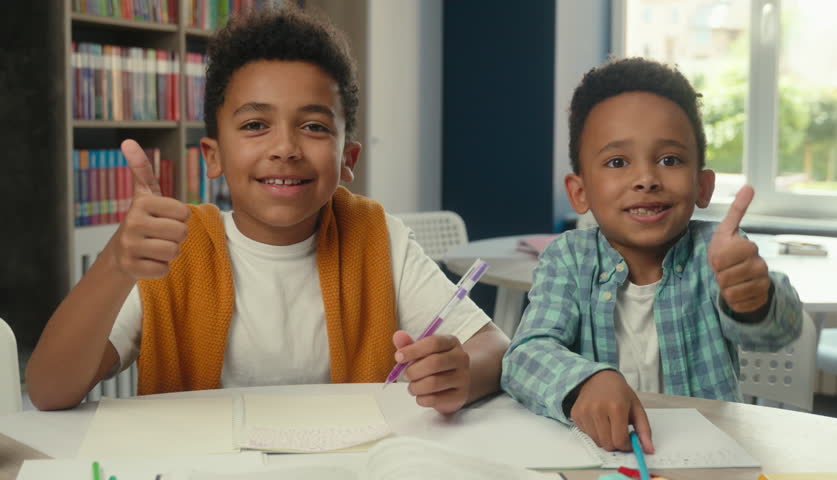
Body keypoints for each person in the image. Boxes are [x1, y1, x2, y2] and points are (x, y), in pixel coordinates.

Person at [27, 7, 508, 414]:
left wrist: (461, 372)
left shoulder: (377, 237)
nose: (285, 147)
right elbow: (49, 391)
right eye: (256, 124)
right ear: (212, 156)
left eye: (315, 127)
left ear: (347, 160)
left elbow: (494, 346)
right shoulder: (174, 250)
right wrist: (114, 264)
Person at [501, 57, 802, 454]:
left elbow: (779, 333)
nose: (646, 179)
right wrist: (585, 380)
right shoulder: (567, 259)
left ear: (702, 184)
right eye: (617, 162)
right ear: (580, 191)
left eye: (670, 160)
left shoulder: (716, 253)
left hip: (706, 457)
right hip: (597, 457)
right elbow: (525, 356)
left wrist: (753, 302)